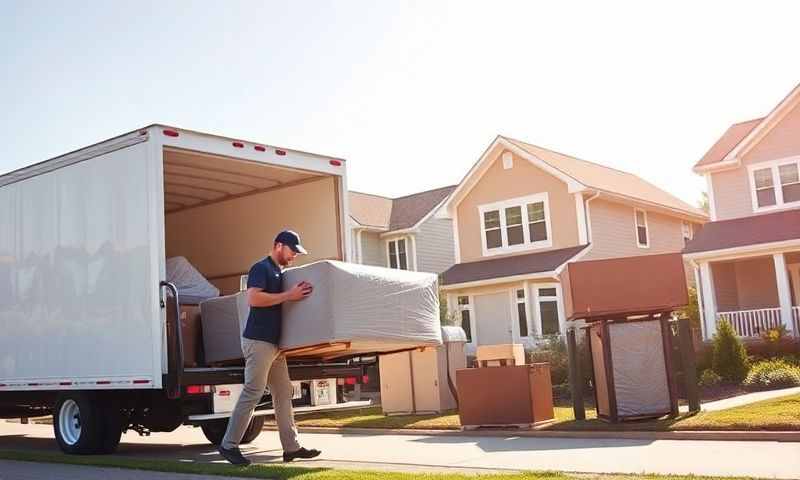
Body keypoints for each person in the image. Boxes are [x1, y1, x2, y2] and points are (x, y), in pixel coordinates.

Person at [217, 230, 321, 466]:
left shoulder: (279, 273)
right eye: (292, 250)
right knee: (253, 391)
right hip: (258, 341)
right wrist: (289, 295)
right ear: (278, 246)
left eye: (296, 252)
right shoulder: (261, 268)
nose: (294, 255)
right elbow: (253, 299)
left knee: (284, 392)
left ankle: (291, 448)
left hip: (275, 345)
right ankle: (228, 445)